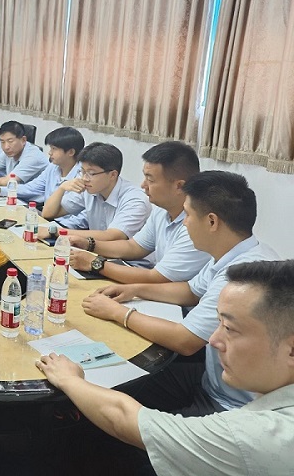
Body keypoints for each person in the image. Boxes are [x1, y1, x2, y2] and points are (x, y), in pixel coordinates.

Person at [37, 260, 294, 476]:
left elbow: (125, 421)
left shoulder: (254, 437)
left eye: (229, 328)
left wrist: (70, 379)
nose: (213, 341)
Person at [83, 171, 279, 415]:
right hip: (210, 379)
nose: (184, 223)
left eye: (188, 215)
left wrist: (118, 313)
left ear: (212, 222)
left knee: (117, 411)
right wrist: (132, 290)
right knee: (119, 386)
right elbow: (190, 290)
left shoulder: (242, 277)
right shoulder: (235, 254)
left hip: (231, 406)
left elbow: (185, 341)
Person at [69, 141, 210, 283]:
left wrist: (95, 263)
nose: (143, 185)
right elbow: (134, 247)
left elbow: (157, 278)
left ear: (179, 186)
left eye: (150, 180)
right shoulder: (161, 210)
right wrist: (88, 244)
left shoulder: (198, 225)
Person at [40, 142, 150, 243]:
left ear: (112, 175)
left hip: (125, 257)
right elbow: (48, 213)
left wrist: (56, 231)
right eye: (82, 171)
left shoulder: (135, 200)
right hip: (96, 251)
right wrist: (62, 188)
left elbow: (112, 236)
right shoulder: (89, 189)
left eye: (91, 173)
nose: (84, 178)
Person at [0, 127, 86, 232]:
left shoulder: (82, 176)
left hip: (66, 228)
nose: (50, 153)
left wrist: (54, 228)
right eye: (50, 148)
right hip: (46, 219)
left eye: (54, 149)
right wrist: (2, 191)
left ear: (71, 152)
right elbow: (32, 188)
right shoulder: (53, 167)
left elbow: (83, 215)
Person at [0, 121, 48, 187]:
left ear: (23, 140)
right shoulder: (9, 152)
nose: (6, 147)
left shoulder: (33, 156)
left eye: (10, 141)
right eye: (2, 142)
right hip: (14, 192)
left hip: (34, 197)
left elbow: (8, 181)